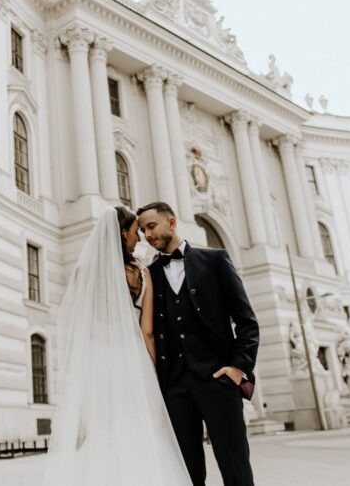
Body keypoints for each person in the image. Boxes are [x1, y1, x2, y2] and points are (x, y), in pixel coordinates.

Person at [41, 206, 191, 485]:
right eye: (135, 232)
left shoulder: (85, 273)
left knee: (105, 431)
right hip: (132, 362)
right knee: (140, 430)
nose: (139, 237)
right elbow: (147, 332)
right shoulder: (141, 273)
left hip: (99, 363)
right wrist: (157, 371)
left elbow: (81, 325)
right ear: (122, 234)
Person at [137, 201, 259, 486]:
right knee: (186, 475)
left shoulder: (215, 260)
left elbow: (247, 321)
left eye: (151, 226)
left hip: (219, 382)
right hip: (175, 389)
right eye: (143, 231)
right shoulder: (150, 274)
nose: (147, 235)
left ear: (172, 222)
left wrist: (238, 368)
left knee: (236, 469)